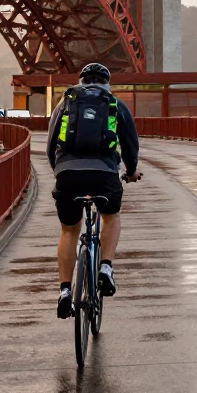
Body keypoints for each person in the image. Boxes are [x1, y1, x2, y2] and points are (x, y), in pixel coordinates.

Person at [47, 62, 141, 319]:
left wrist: (60, 170)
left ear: (81, 80)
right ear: (107, 82)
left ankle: (65, 291)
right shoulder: (115, 104)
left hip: (67, 174)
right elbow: (131, 144)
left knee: (69, 229)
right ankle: (106, 268)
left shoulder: (66, 102)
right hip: (105, 173)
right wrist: (131, 171)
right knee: (111, 216)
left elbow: (51, 142)